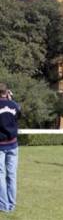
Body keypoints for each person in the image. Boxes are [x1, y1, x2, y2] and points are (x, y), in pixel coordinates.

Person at [0, 83, 21, 212]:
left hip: (1, 145)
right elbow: (18, 114)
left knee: (1, 175)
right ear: (7, 92)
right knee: (12, 175)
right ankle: (11, 205)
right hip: (13, 144)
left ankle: (3, 205)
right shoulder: (14, 105)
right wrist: (11, 99)